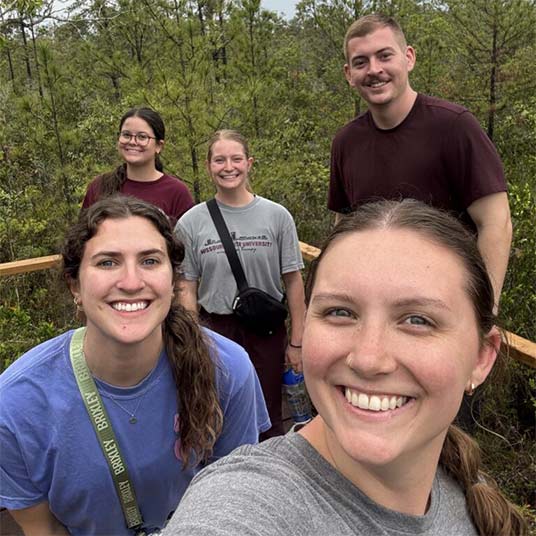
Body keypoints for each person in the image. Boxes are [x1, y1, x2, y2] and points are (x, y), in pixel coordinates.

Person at [163, 199, 527, 536]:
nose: (368, 359)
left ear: (482, 357)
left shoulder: (464, 491)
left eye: (417, 320)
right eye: (340, 312)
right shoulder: (243, 506)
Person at [0, 195, 270, 535]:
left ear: (173, 281)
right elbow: (44, 530)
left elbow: (235, 498)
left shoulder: (227, 368)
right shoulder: (15, 406)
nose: (130, 282)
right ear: (75, 286)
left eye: (150, 261)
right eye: (107, 263)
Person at [329, 14, 512, 311]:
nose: (374, 70)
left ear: (408, 57)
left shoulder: (454, 127)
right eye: (361, 62)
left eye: (384, 56)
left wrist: (483, 311)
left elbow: (496, 222)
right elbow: (343, 225)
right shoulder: (346, 142)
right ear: (349, 74)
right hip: (374, 306)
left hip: (442, 306)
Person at [175, 129, 306, 440]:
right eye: (219, 160)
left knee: (270, 412)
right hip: (217, 330)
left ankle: (271, 475)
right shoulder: (192, 223)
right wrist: (193, 339)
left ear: (249, 163)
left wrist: (298, 342)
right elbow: (187, 288)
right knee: (220, 409)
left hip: (268, 331)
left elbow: (293, 280)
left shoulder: (277, 216)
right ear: (209, 166)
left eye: (236, 159)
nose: (228, 167)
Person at [82, 107, 194, 225]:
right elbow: (81, 238)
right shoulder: (100, 186)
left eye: (142, 137)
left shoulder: (177, 192)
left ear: (159, 146)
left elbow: (186, 241)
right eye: (126, 135)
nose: (132, 142)